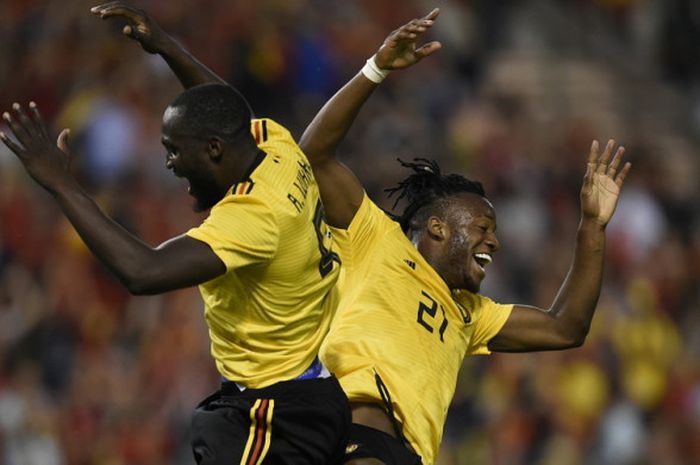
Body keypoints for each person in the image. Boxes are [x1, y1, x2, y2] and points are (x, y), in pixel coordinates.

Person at [89, 4, 632, 465]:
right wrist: (375, 70)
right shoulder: (378, 240)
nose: (495, 242)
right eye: (484, 227)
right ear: (438, 228)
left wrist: (592, 227)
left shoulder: (472, 316)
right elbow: (314, 153)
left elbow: (567, 327)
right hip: (349, 431)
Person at [0, 45, 349, 465]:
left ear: (214, 150)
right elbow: (226, 106)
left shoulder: (255, 218)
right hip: (296, 391)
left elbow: (143, 271)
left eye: (175, 149)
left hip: (277, 415)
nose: (168, 162)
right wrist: (166, 46)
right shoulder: (277, 146)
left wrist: (59, 182)